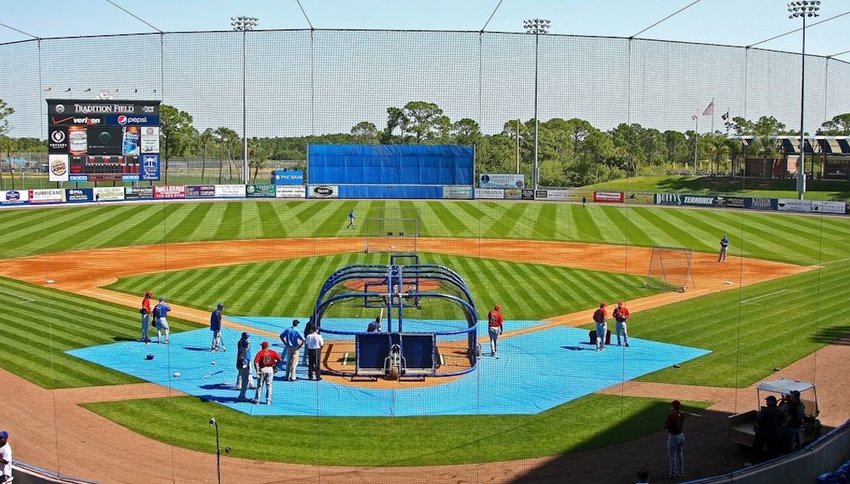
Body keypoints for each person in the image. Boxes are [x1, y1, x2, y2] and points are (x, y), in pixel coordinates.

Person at [752, 395, 784, 463]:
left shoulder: (765, 410)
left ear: (770, 402)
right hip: (776, 433)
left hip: (764, 433)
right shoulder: (780, 410)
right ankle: (772, 463)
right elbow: (783, 420)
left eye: (767, 401)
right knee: (773, 449)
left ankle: (755, 463)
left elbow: (760, 421)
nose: (766, 402)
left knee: (757, 448)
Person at [664, 399, 687, 479]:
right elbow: (680, 418)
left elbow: (665, 426)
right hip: (681, 436)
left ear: (674, 407)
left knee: (672, 456)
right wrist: (677, 413)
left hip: (673, 437)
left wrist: (673, 415)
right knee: (679, 454)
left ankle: (673, 474)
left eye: (672, 406)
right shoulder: (683, 414)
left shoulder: (671, 416)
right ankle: (681, 472)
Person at [235, 332, 253, 402]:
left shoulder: (241, 343)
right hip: (244, 363)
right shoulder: (243, 348)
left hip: (244, 362)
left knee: (244, 376)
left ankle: (242, 393)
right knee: (245, 379)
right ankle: (241, 396)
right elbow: (242, 356)